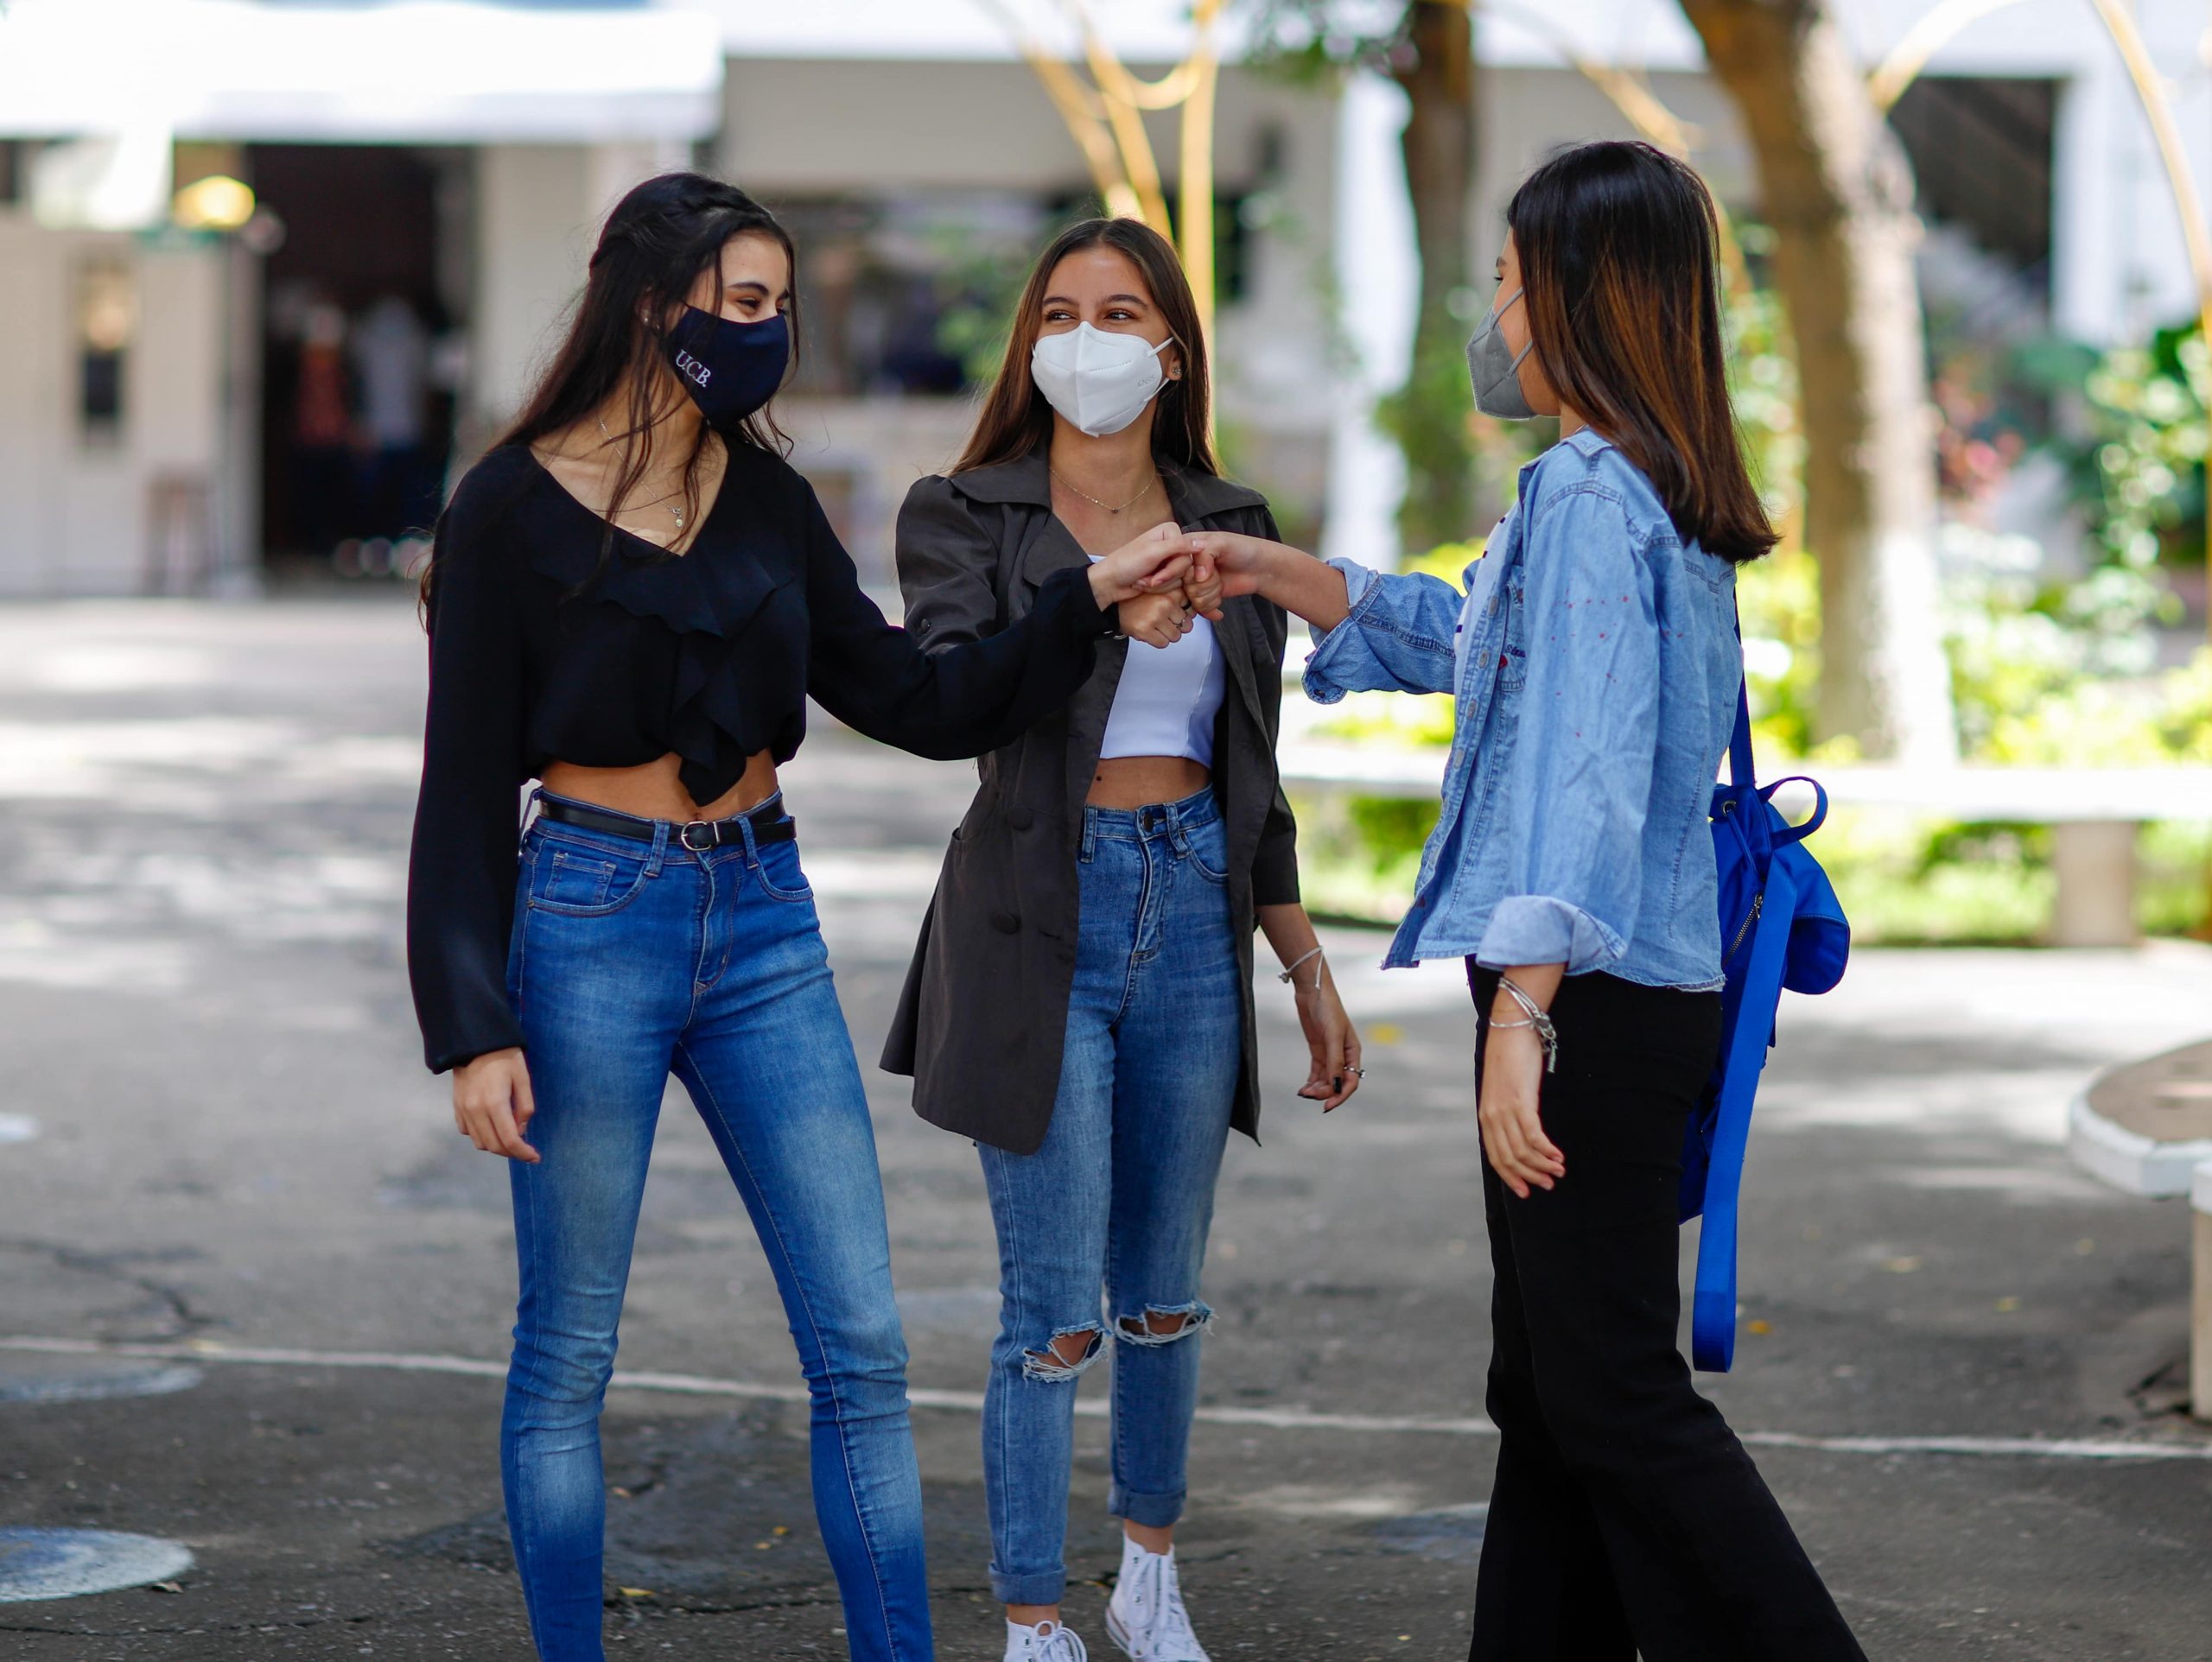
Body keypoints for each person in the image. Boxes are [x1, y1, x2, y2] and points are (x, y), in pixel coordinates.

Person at [404, 173, 1199, 1662]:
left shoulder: (766, 495)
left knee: (861, 1347)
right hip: (587, 917)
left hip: (765, 919)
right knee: (569, 1354)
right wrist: (470, 1025)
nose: (775, 333)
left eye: (781, 305)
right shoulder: (507, 509)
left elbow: (916, 696)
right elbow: (458, 792)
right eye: (751, 305)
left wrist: (1084, 602)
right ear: (656, 306)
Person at [1184, 143, 1868, 1662]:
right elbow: (1489, 654)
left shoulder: (1584, 491)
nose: (1487, 310)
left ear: (1578, 295)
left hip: (1590, 998)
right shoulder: (1649, 486)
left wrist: (1522, 1015)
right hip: (1637, 988)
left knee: (1611, 1391)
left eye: (1504, 278)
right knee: (1553, 1389)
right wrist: (1286, 574)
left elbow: (1585, 768)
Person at [883, 217, 1363, 1662]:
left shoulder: (1237, 524)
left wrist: (1304, 962)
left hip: (1195, 899)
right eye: (1062, 310)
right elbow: (955, 692)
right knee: (1054, 1311)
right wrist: (1096, 604)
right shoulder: (964, 511)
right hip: (1039, 912)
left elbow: (1252, 767)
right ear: (1035, 341)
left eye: (1121, 312)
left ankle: (1147, 1577)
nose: (1086, 338)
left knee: (1163, 1294)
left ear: (1171, 349)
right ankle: (1035, 1617)